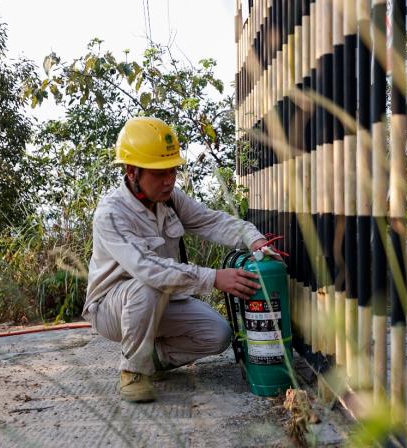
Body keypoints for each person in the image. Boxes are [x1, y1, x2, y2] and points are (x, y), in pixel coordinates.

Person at [83, 117, 269, 403]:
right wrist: (215, 278)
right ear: (132, 171)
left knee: (217, 335)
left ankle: (153, 359)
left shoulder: (170, 199)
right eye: (159, 173)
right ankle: (133, 370)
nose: (169, 179)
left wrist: (252, 237)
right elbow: (149, 270)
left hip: (160, 299)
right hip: (111, 309)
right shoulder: (111, 215)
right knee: (147, 284)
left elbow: (211, 221)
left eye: (172, 170)